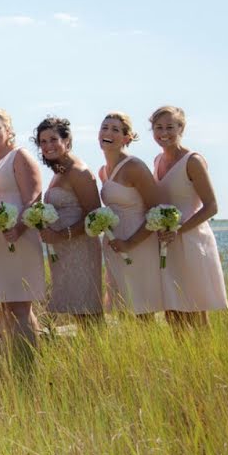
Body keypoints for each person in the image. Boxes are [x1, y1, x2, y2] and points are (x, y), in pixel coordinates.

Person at [0, 108, 46, 346]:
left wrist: (19, 228)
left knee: (19, 304)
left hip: (15, 238)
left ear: (8, 130)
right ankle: (12, 359)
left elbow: (34, 197)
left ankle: (28, 361)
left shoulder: (18, 156)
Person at [150, 106, 228, 327]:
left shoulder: (193, 160)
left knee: (194, 308)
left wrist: (179, 229)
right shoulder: (156, 161)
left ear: (181, 128)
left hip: (192, 239)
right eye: (158, 127)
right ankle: (182, 359)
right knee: (172, 308)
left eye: (169, 127)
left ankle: (206, 357)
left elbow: (211, 206)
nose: (163, 133)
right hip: (167, 242)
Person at [33, 117, 104, 321]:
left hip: (80, 249)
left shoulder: (78, 172)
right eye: (43, 142)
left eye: (53, 139)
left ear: (66, 140)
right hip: (64, 250)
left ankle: (97, 352)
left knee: (87, 312)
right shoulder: (59, 171)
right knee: (76, 311)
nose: (48, 146)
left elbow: (95, 217)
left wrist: (62, 235)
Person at [97, 112, 162, 317]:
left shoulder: (135, 167)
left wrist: (131, 243)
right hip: (115, 245)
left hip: (139, 243)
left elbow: (156, 212)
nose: (108, 132)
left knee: (142, 310)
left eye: (115, 129)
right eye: (104, 127)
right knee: (122, 308)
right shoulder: (103, 171)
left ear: (126, 138)